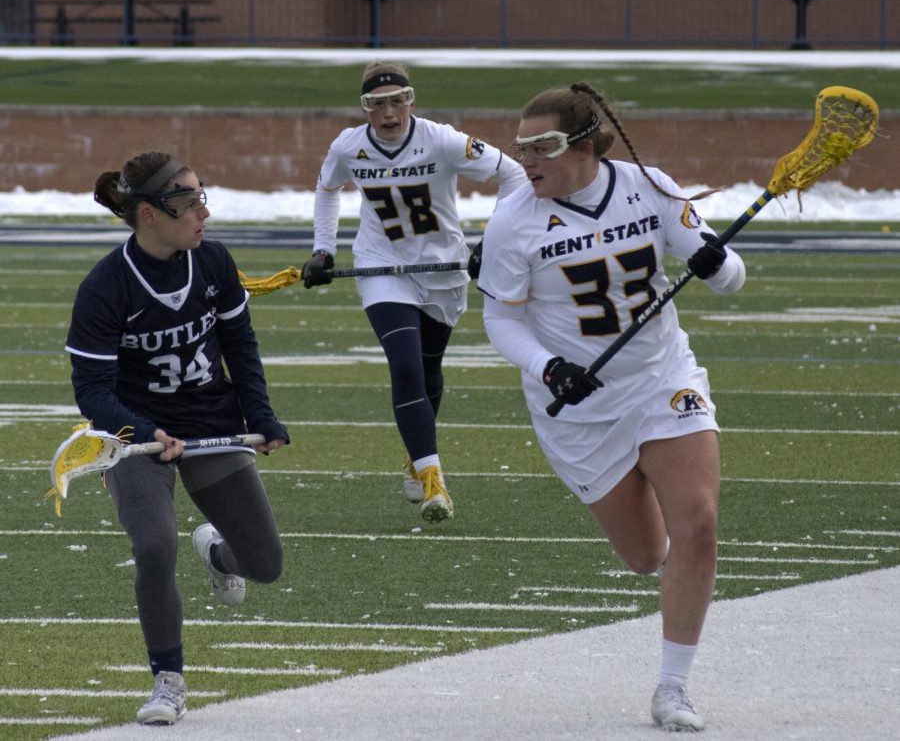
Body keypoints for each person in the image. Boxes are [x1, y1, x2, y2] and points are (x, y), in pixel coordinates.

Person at [477, 83, 746, 732]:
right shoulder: (515, 219)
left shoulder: (648, 188)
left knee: (699, 523)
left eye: (540, 147)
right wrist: (549, 367)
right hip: (578, 406)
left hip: (661, 377)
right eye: (521, 148)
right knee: (645, 554)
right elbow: (499, 320)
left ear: (583, 144)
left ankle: (673, 689)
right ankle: (658, 553)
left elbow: (732, 274)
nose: (527, 161)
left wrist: (715, 262)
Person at [66, 151, 290, 725]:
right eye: (188, 201)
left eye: (201, 196)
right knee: (153, 545)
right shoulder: (105, 287)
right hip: (135, 436)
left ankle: (217, 551)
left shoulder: (212, 262)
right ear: (148, 214)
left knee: (264, 565)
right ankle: (168, 678)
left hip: (211, 424)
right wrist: (146, 433)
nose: (203, 212)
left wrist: (260, 416)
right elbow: (93, 393)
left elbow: (241, 346)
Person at [300, 61, 526, 523]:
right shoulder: (349, 145)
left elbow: (515, 175)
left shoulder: (442, 139)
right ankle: (434, 481)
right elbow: (328, 189)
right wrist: (323, 250)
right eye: (376, 104)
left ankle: (415, 456)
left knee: (427, 372)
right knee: (404, 367)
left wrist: (494, 240)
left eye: (396, 101)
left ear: (411, 101)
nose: (387, 113)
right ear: (365, 109)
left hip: (443, 269)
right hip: (381, 265)